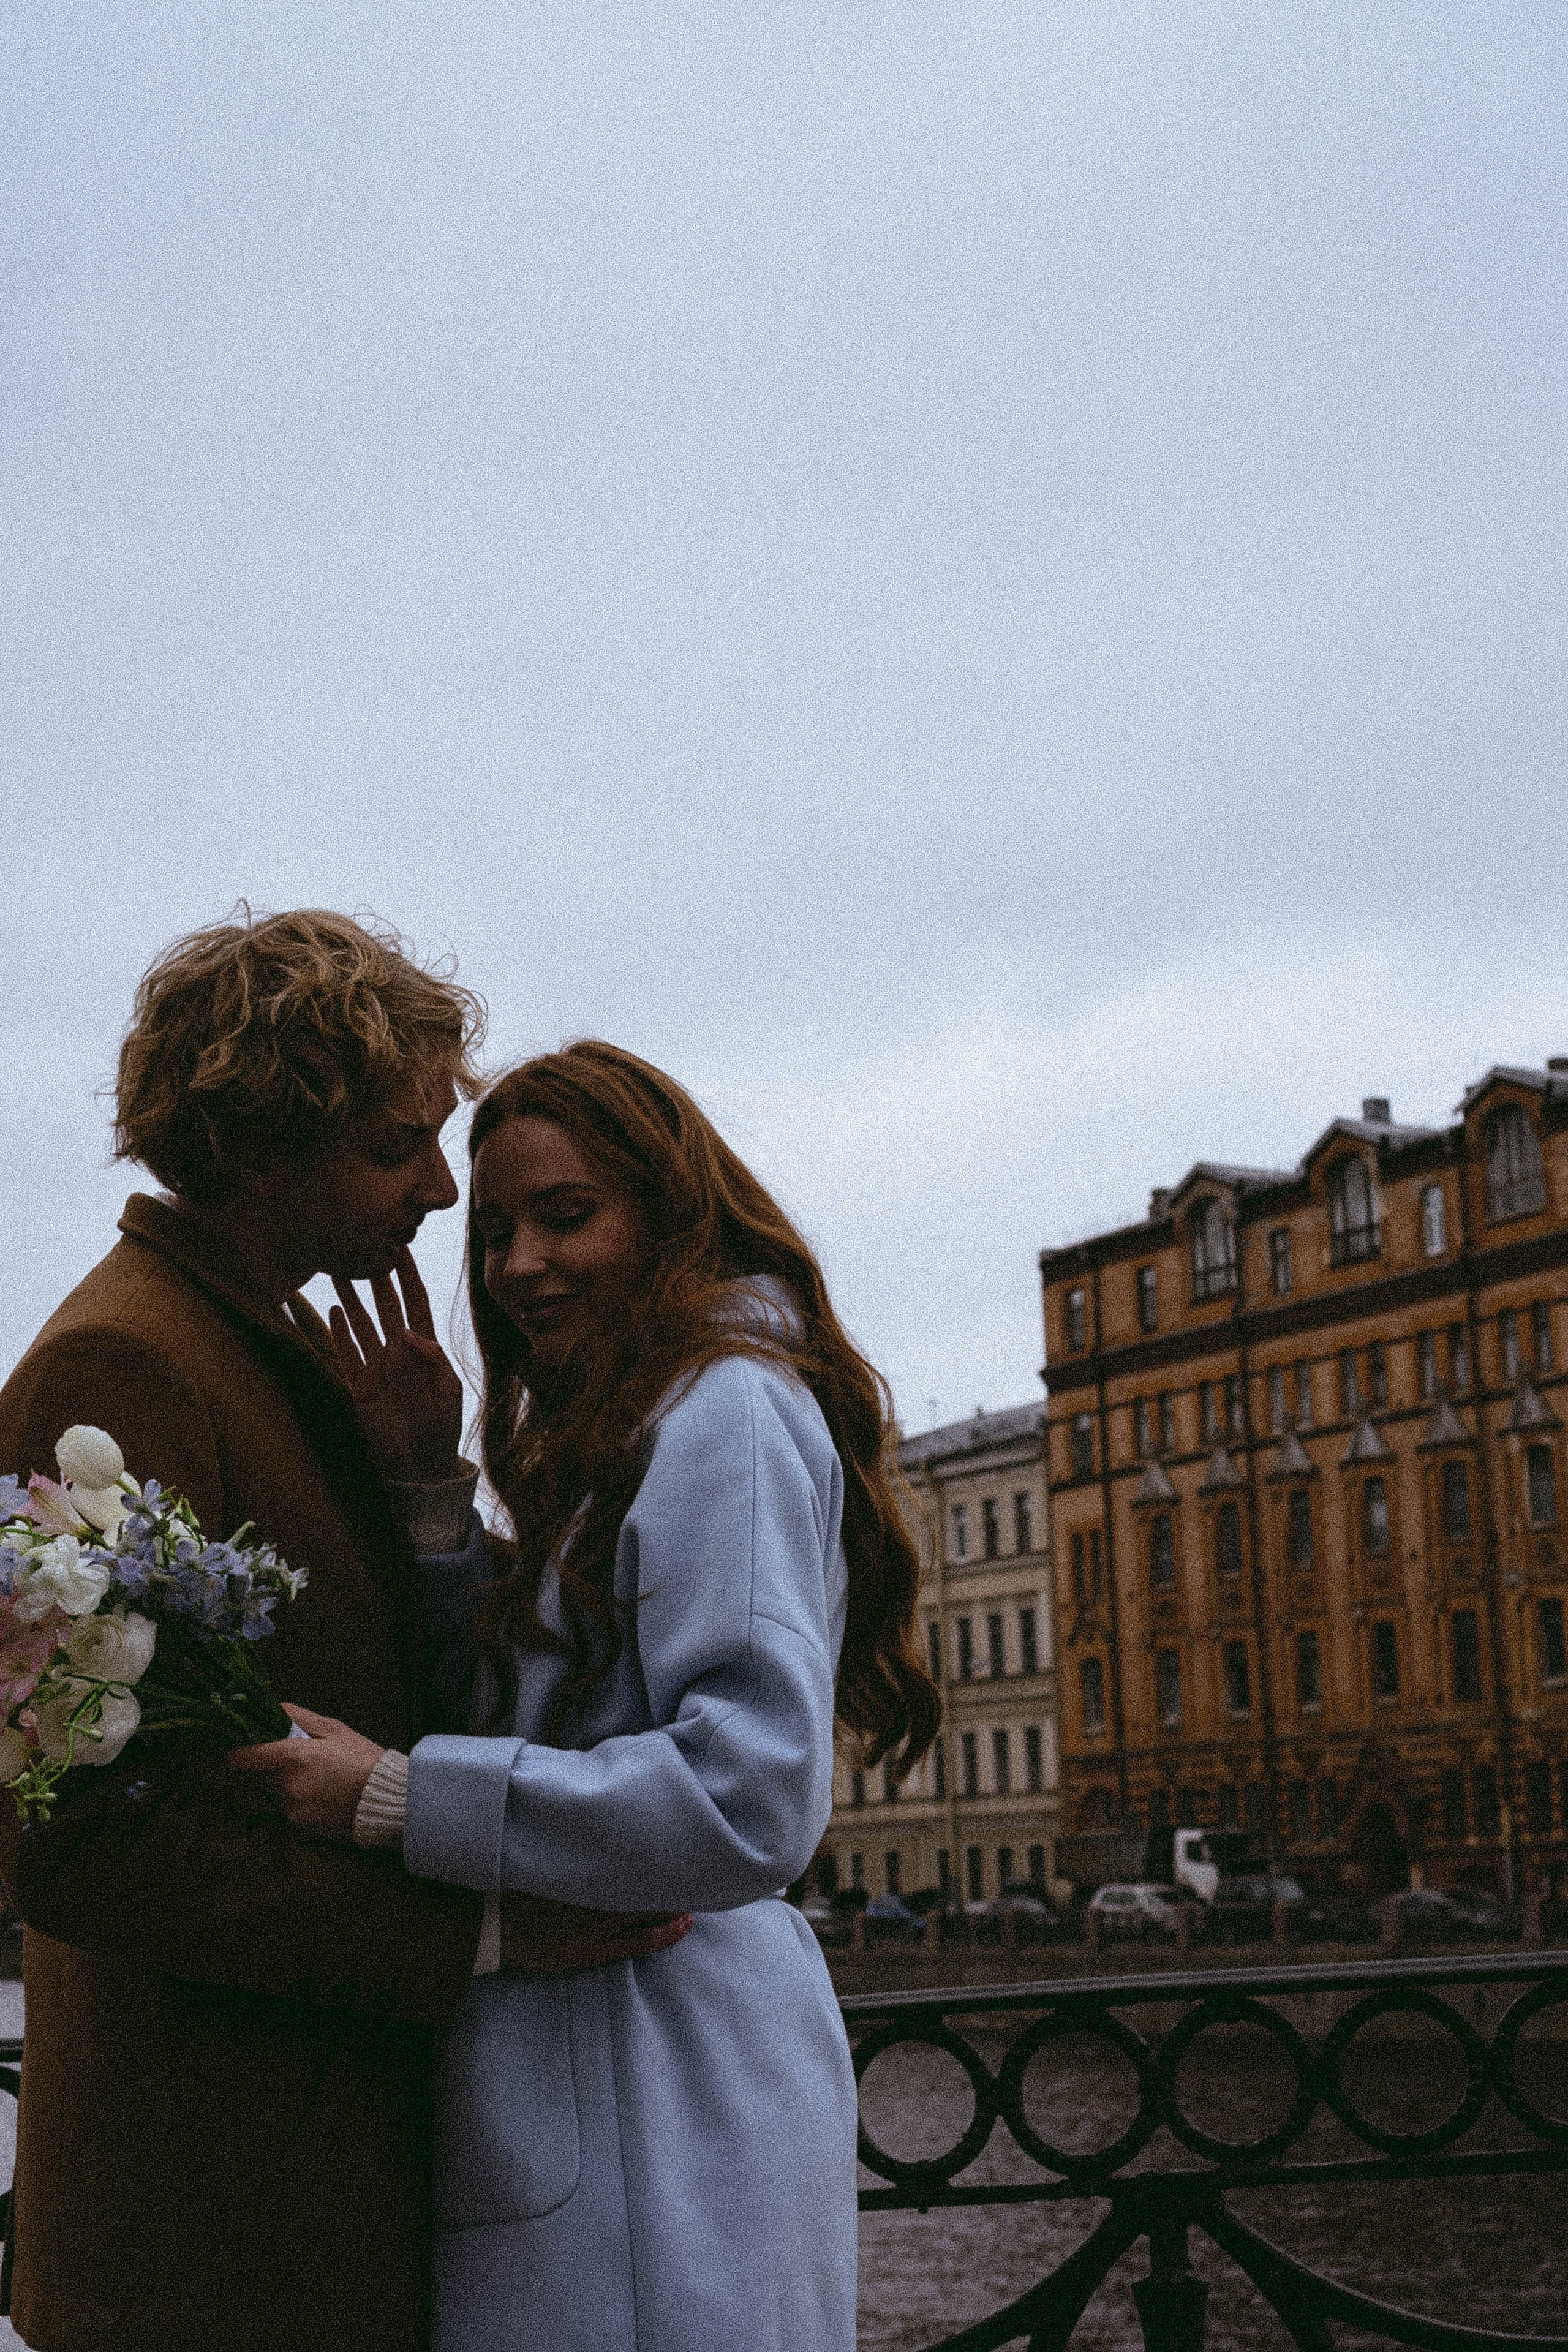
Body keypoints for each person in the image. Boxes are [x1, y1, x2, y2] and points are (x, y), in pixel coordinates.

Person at [0, 915, 685, 2352]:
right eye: (395, 1148)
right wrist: (489, 1930)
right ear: (262, 1142)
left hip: (285, 2205)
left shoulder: (259, 1349)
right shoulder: (113, 1365)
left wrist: (417, 1487)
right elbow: (68, 1839)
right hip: (212, 2240)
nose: (443, 1191)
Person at [235, 1041, 941, 2352]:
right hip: (629, 2075)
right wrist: (434, 1494)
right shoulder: (631, 1425)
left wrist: (390, 1798)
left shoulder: (720, 1408)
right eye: (497, 1231)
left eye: (568, 1218)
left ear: (669, 1215)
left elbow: (746, 1798)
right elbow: (533, 1719)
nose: (517, 1267)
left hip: (651, 2070)